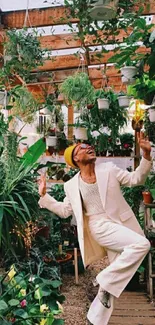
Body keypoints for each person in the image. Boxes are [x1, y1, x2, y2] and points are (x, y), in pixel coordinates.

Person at [38, 132, 152, 325]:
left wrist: (147, 156)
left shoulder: (109, 170)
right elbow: (65, 210)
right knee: (142, 244)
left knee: (115, 281)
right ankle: (104, 278)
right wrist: (44, 197)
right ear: (75, 158)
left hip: (120, 225)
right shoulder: (71, 185)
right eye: (82, 148)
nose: (88, 147)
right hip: (99, 226)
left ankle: (95, 319)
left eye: (88, 145)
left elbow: (136, 179)